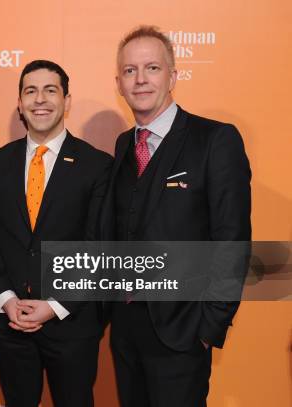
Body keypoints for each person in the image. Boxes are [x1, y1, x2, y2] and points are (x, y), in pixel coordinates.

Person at [100, 25, 251, 406]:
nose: (141, 79)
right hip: (126, 330)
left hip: (183, 333)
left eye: (152, 68)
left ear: (173, 75)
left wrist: (208, 327)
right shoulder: (123, 145)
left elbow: (231, 240)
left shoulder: (215, 140)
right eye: (130, 71)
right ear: (118, 83)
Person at [0, 60, 112, 407]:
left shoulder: (97, 166)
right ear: (19, 103)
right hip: (11, 322)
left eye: (50, 90)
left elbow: (99, 246)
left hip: (72, 322)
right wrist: (5, 300)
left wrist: (54, 306)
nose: (40, 100)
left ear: (66, 100)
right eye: (30, 91)